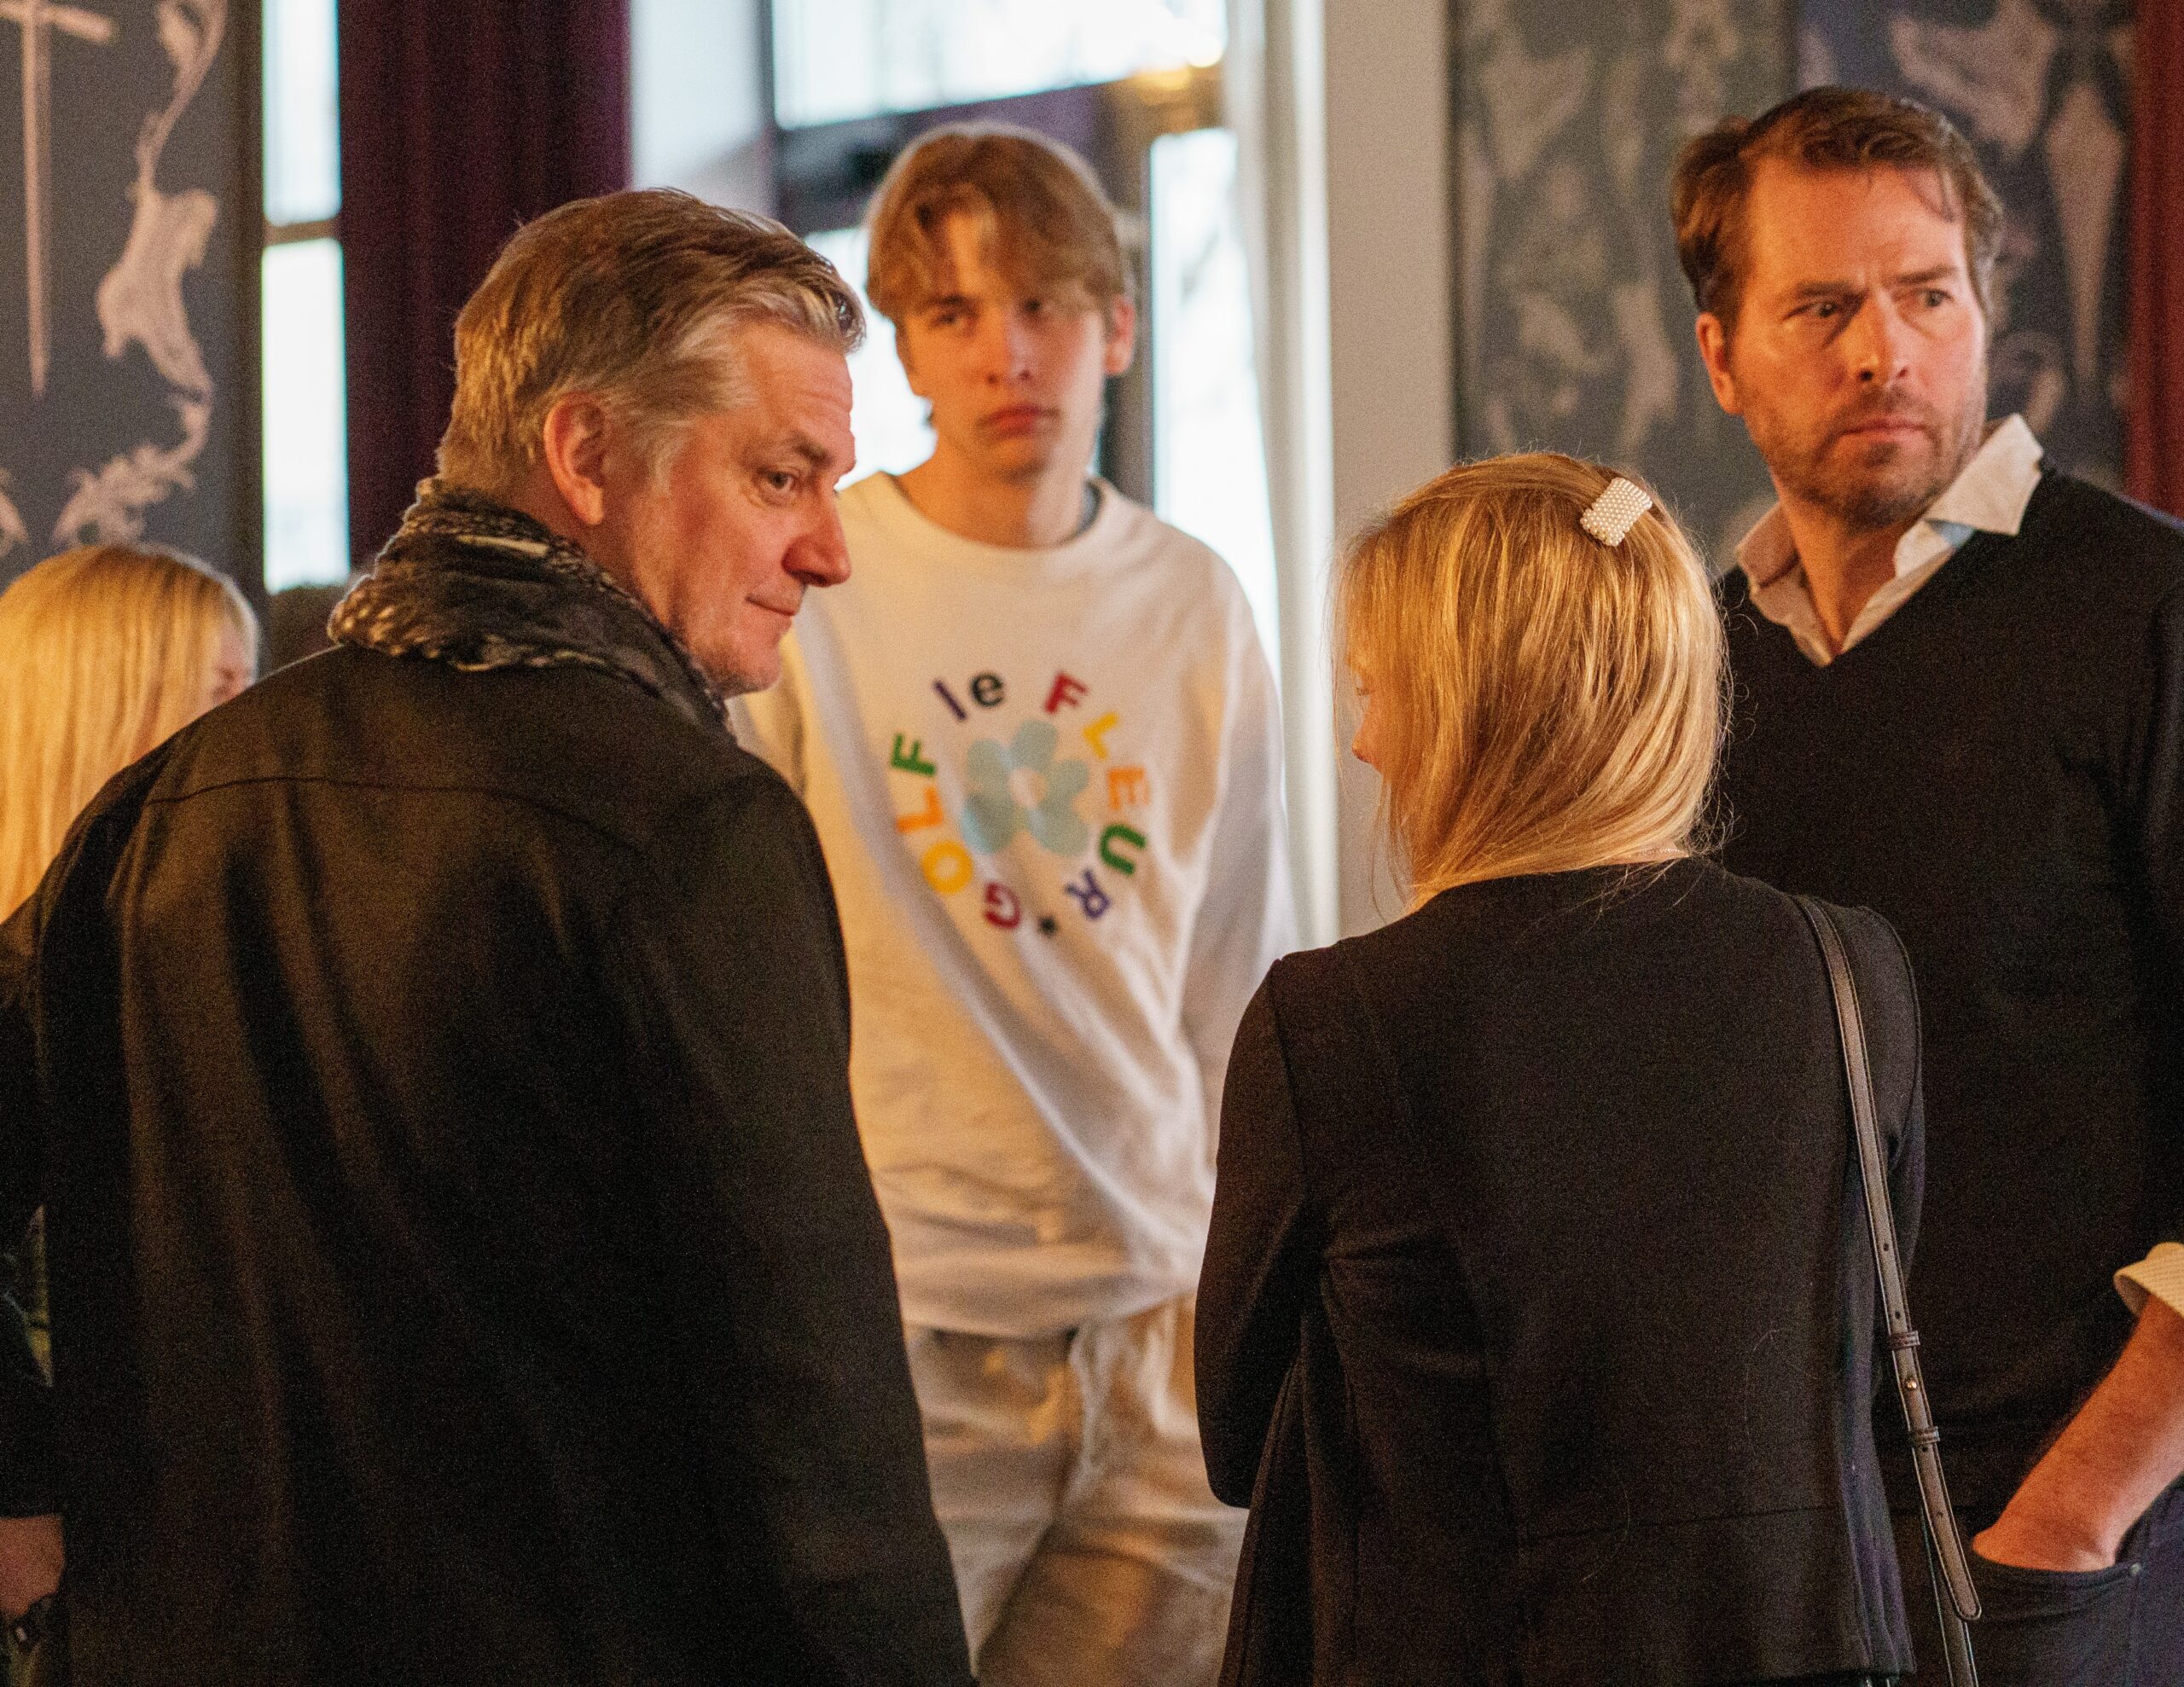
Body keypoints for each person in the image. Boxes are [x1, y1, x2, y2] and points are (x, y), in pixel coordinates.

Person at [0, 189, 973, 1686]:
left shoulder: (169, 799)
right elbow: (817, 1436)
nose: (830, 550)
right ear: (585, 455)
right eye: (783, 477)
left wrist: (32, 1493)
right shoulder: (685, 829)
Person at [1197, 453, 1923, 1687]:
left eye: (1377, 691)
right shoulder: (1850, 970)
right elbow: (1860, 1350)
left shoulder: (1333, 1021)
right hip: (1805, 1647)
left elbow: (1234, 1437)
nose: (1364, 744)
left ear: (1474, 711)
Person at [735, 124, 1294, 1685]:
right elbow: (739, 959)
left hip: (1159, 1323)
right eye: (957, 313)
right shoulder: (821, 582)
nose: (1009, 354)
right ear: (905, 346)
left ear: (1118, 325)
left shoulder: (1194, 601)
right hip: (906, 1316)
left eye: (1044, 303)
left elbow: (1238, 979)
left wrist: (1247, 1288)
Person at [1675, 85, 2184, 1682]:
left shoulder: (2148, 608)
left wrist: (2074, 1517)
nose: (1883, 352)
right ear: (1721, 356)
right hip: (1767, 1544)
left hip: (2075, 1539)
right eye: (1823, 307)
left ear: (1983, 310)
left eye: (1927, 296)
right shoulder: (1689, 667)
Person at [0, 544, 258, 1671]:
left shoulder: (186, 956)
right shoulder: (46, 983)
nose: (261, 735)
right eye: (221, 692)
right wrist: (22, 1511)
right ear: (99, 708)